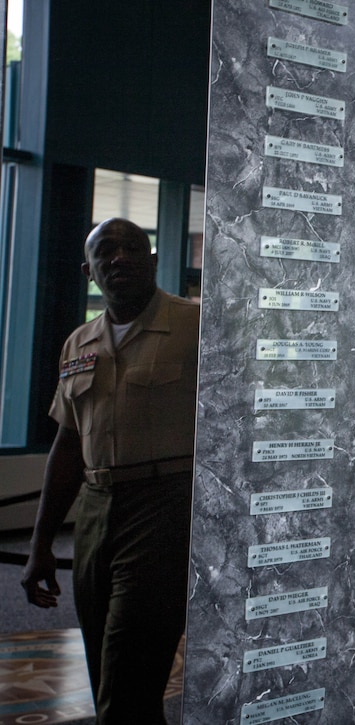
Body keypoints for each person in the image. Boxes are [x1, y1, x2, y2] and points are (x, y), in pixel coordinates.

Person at [20, 217, 199, 724]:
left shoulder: (196, 326)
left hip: (165, 507)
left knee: (127, 672)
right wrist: (40, 547)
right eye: (106, 252)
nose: (119, 257)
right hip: (97, 512)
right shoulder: (80, 343)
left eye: (131, 247)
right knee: (108, 669)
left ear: (152, 260)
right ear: (88, 270)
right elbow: (69, 445)